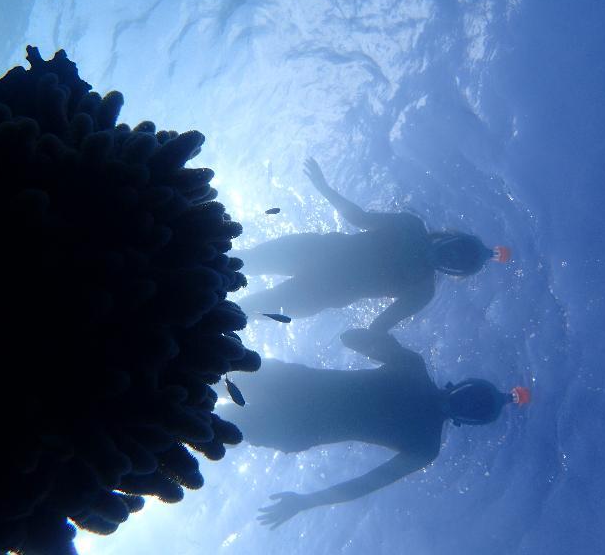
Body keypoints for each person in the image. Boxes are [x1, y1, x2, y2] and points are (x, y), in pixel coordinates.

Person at [220, 328, 530, 529]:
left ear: (461, 384)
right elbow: (364, 485)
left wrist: (386, 341)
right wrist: (305, 502)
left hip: (294, 386)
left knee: (203, 366)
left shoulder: (413, 368)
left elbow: (348, 337)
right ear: (465, 422)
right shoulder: (425, 447)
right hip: (296, 429)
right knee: (204, 424)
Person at [236, 158, 510, 332]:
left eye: (456, 259)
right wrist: (324, 187)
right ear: (452, 236)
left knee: (244, 294)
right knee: (243, 272)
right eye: (456, 249)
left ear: (454, 272)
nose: (449, 254)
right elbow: (378, 328)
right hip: (318, 278)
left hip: (316, 274)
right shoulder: (420, 278)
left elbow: (379, 327)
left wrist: (325, 187)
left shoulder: (413, 240)